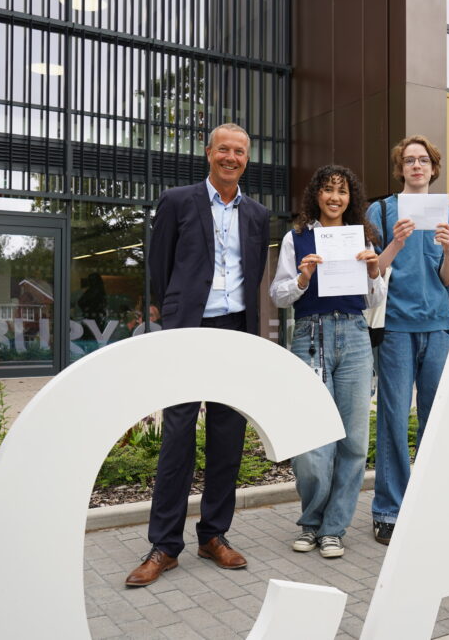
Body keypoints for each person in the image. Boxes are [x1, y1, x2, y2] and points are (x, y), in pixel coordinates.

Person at [125, 123, 270, 587]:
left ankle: (214, 536)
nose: (231, 157)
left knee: (228, 438)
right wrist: (165, 312)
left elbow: (254, 273)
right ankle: (164, 545)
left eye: (240, 151)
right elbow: (159, 260)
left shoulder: (258, 213)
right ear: (208, 153)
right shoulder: (178, 201)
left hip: (236, 330)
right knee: (178, 436)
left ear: (248, 158)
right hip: (188, 327)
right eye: (224, 149)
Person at [270, 165, 386, 558]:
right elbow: (279, 295)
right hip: (310, 336)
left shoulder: (364, 237)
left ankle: (334, 528)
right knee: (312, 440)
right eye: (328, 190)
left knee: (353, 440)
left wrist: (374, 272)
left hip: (354, 336)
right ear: (316, 195)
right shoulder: (296, 237)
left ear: (350, 198)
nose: (335, 198)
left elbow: (374, 300)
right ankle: (311, 521)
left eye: (342, 191)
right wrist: (302, 279)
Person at [367, 135, 449, 544]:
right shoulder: (382, 209)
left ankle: (429, 504)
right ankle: (389, 511)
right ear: (400, 168)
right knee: (392, 417)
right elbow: (372, 270)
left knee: (434, 418)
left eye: (423, 160)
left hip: (438, 325)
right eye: (408, 161)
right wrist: (396, 240)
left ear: (433, 167)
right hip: (395, 326)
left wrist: (446, 251)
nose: (416, 166)